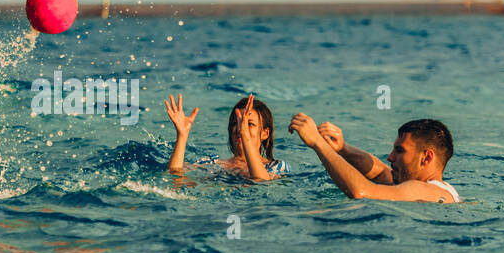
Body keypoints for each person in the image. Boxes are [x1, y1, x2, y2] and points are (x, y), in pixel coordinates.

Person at [289, 113, 458, 203]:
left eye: (400, 151)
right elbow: (379, 173)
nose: (390, 157)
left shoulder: (423, 190)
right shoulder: (437, 189)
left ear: (426, 158)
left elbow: (361, 193)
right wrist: (343, 149)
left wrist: (319, 144)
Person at [166, 93, 290, 181]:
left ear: (265, 133)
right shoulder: (212, 163)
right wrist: (182, 136)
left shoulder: (276, 167)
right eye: (236, 123)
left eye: (249, 124)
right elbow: (175, 177)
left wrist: (245, 137)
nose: (241, 128)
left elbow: (261, 181)